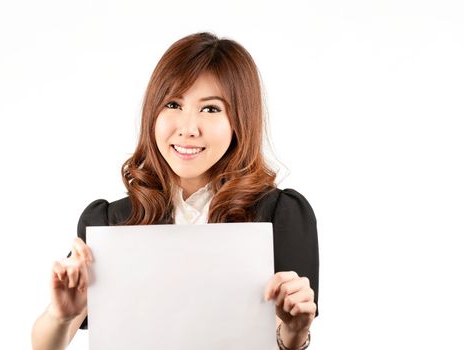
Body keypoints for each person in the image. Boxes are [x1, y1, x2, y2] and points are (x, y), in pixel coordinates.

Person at [32, 32, 319, 350]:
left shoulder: (281, 215)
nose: (188, 127)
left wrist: (295, 332)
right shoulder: (110, 222)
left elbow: (285, 337)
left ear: (240, 121)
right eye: (173, 104)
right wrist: (60, 317)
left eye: (210, 110)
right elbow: (47, 345)